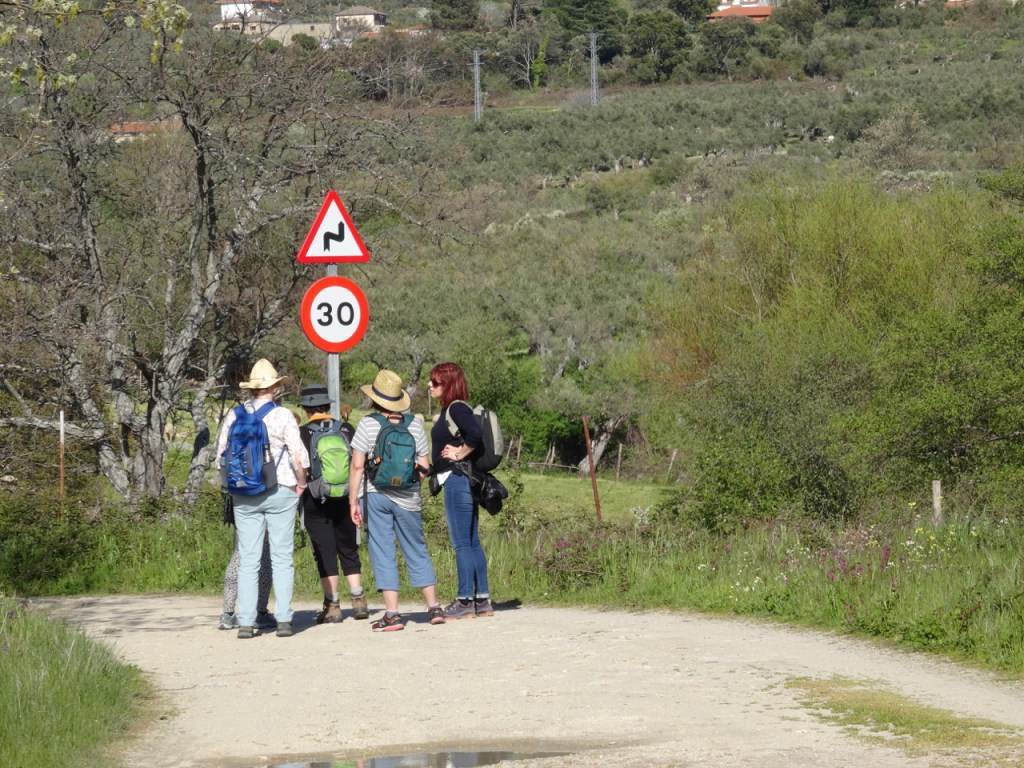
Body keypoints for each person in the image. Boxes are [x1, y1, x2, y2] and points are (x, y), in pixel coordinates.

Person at [216, 359, 309, 639]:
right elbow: (298, 456)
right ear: (275, 388)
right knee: (281, 557)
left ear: (251, 389)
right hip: (280, 490)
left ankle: (245, 620)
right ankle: (283, 618)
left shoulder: (234, 416)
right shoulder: (282, 416)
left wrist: (231, 487)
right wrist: (301, 484)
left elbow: (221, 455)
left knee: (248, 558)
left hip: (244, 493)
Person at [347, 369, 445, 631]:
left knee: (383, 550)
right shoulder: (414, 424)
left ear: (375, 399)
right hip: (409, 498)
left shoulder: (368, 424)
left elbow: (357, 466)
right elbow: (424, 466)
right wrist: (407, 484)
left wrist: (353, 502)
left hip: (376, 495)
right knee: (416, 547)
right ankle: (434, 607)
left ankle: (392, 613)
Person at [428, 362, 494, 620]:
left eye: (435, 382)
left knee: (461, 542)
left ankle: (465, 600)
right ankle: (482, 601)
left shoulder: (455, 408)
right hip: (468, 480)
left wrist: (460, 452)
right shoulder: (457, 409)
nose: (429, 386)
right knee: (472, 540)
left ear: (448, 384)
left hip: (457, 480)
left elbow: (475, 434)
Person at [298, 384, 369, 623]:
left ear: (307, 408)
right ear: (329, 406)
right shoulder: (347, 428)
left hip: (315, 497)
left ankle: (333, 605)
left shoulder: (303, 433)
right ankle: (358, 600)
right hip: (346, 496)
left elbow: (301, 467)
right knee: (348, 547)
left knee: (324, 551)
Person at [218, 527, 275, 630]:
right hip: (267, 513)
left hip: (242, 511)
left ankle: (228, 614)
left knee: (239, 553)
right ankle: (260, 613)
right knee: (264, 552)